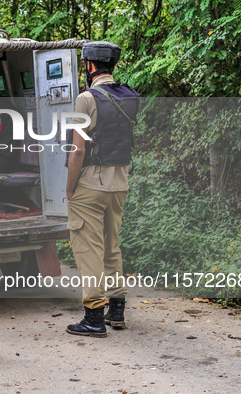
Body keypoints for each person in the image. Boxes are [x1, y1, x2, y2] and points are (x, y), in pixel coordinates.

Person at [65, 41, 139, 338]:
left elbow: (77, 150)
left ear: (90, 66)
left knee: (88, 249)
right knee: (112, 244)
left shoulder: (86, 98)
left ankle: (93, 317)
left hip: (90, 184)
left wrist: (70, 188)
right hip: (119, 182)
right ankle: (116, 308)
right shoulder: (131, 96)